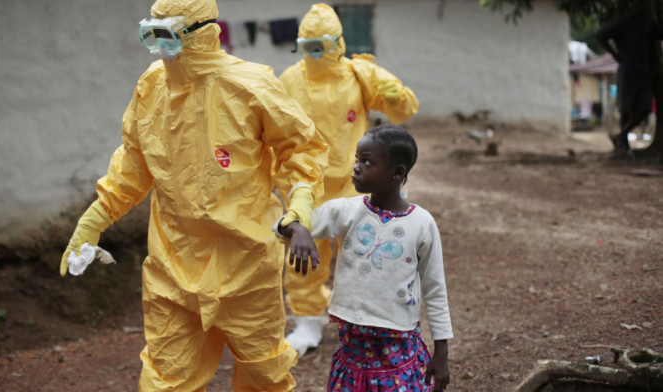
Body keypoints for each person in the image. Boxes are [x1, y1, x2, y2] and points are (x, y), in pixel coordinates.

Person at [59, 0, 328, 390]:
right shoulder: (152, 86)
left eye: (166, 35)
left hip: (246, 264)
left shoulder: (250, 85)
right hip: (174, 266)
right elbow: (132, 165)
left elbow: (300, 148)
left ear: (200, 32)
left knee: (263, 374)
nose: (158, 47)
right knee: (166, 376)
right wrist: (95, 219)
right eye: (151, 34)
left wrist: (299, 207)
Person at [279, 3, 419, 356]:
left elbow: (403, 110)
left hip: (355, 183)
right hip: (307, 186)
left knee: (364, 253)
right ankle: (308, 321)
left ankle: (368, 318)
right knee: (303, 256)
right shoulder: (290, 79)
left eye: (320, 46)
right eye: (307, 46)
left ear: (337, 44)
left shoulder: (359, 73)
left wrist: (393, 94)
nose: (313, 54)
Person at [276, 125, 453, 392]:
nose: (356, 167)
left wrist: (441, 352)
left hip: (398, 345)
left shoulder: (421, 224)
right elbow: (282, 224)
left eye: (367, 161)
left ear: (397, 173)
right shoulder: (346, 211)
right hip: (353, 349)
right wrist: (297, 229)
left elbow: (435, 290)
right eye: (357, 159)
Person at [596, 3, 663, 158]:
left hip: (646, 74)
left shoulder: (649, 25)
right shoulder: (623, 24)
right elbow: (600, 35)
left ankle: (620, 135)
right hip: (628, 73)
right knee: (626, 110)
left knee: (645, 109)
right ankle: (623, 146)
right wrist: (614, 54)